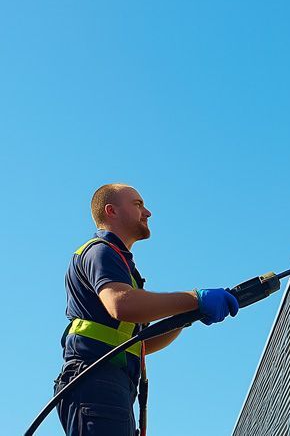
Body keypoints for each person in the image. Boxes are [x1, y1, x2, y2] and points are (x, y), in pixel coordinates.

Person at [55, 183, 239, 435]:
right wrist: (195, 298)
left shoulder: (122, 265)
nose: (148, 212)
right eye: (138, 204)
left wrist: (185, 318)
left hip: (108, 383)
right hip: (95, 379)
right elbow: (121, 304)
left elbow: (141, 344)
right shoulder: (100, 252)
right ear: (112, 211)